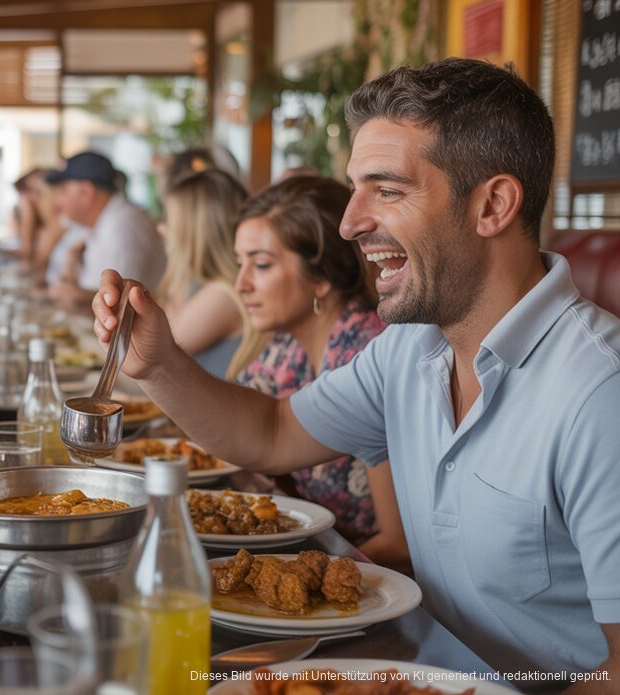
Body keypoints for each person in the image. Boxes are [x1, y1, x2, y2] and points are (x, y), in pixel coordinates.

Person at [92, 58, 620, 687]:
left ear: (493, 205)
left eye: (388, 189)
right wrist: (157, 364)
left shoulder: (599, 393)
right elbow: (272, 430)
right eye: (354, 188)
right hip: (412, 668)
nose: (350, 223)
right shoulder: (409, 349)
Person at [229, 175, 407, 569]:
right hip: (319, 547)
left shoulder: (367, 354)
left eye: (260, 265)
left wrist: (290, 577)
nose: (240, 284)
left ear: (322, 277)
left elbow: (399, 545)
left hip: (376, 582)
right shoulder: (286, 349)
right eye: (239, 263)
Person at [157, 168, 248, 379]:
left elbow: (155, 354)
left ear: (193, 233)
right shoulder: (199, 282)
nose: (160, 229)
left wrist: (177, 261)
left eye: (169, 221)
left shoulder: (224, 293)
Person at [46, 152, 166, 311]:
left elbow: (123, 308)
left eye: (63, 191)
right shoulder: (100, 219)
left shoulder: (122, 227)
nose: (56, 201)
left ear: (86, 192)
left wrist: (75, 295)